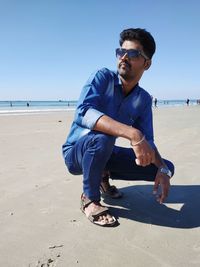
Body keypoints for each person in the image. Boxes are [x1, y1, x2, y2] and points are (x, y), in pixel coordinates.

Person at [62, 28, 174, 227]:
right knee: (102, 139)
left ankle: (103, 176)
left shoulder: (143, 99)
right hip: (77, 152)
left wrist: (163, 170)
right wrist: (132, 133)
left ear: (146, 63)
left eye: (132, 54)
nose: (123, 57)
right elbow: (83, 112)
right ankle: (89, 198)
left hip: (106, 152)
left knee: (164, 166)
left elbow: (146, 142)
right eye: (120, 52)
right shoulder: (102, 77)